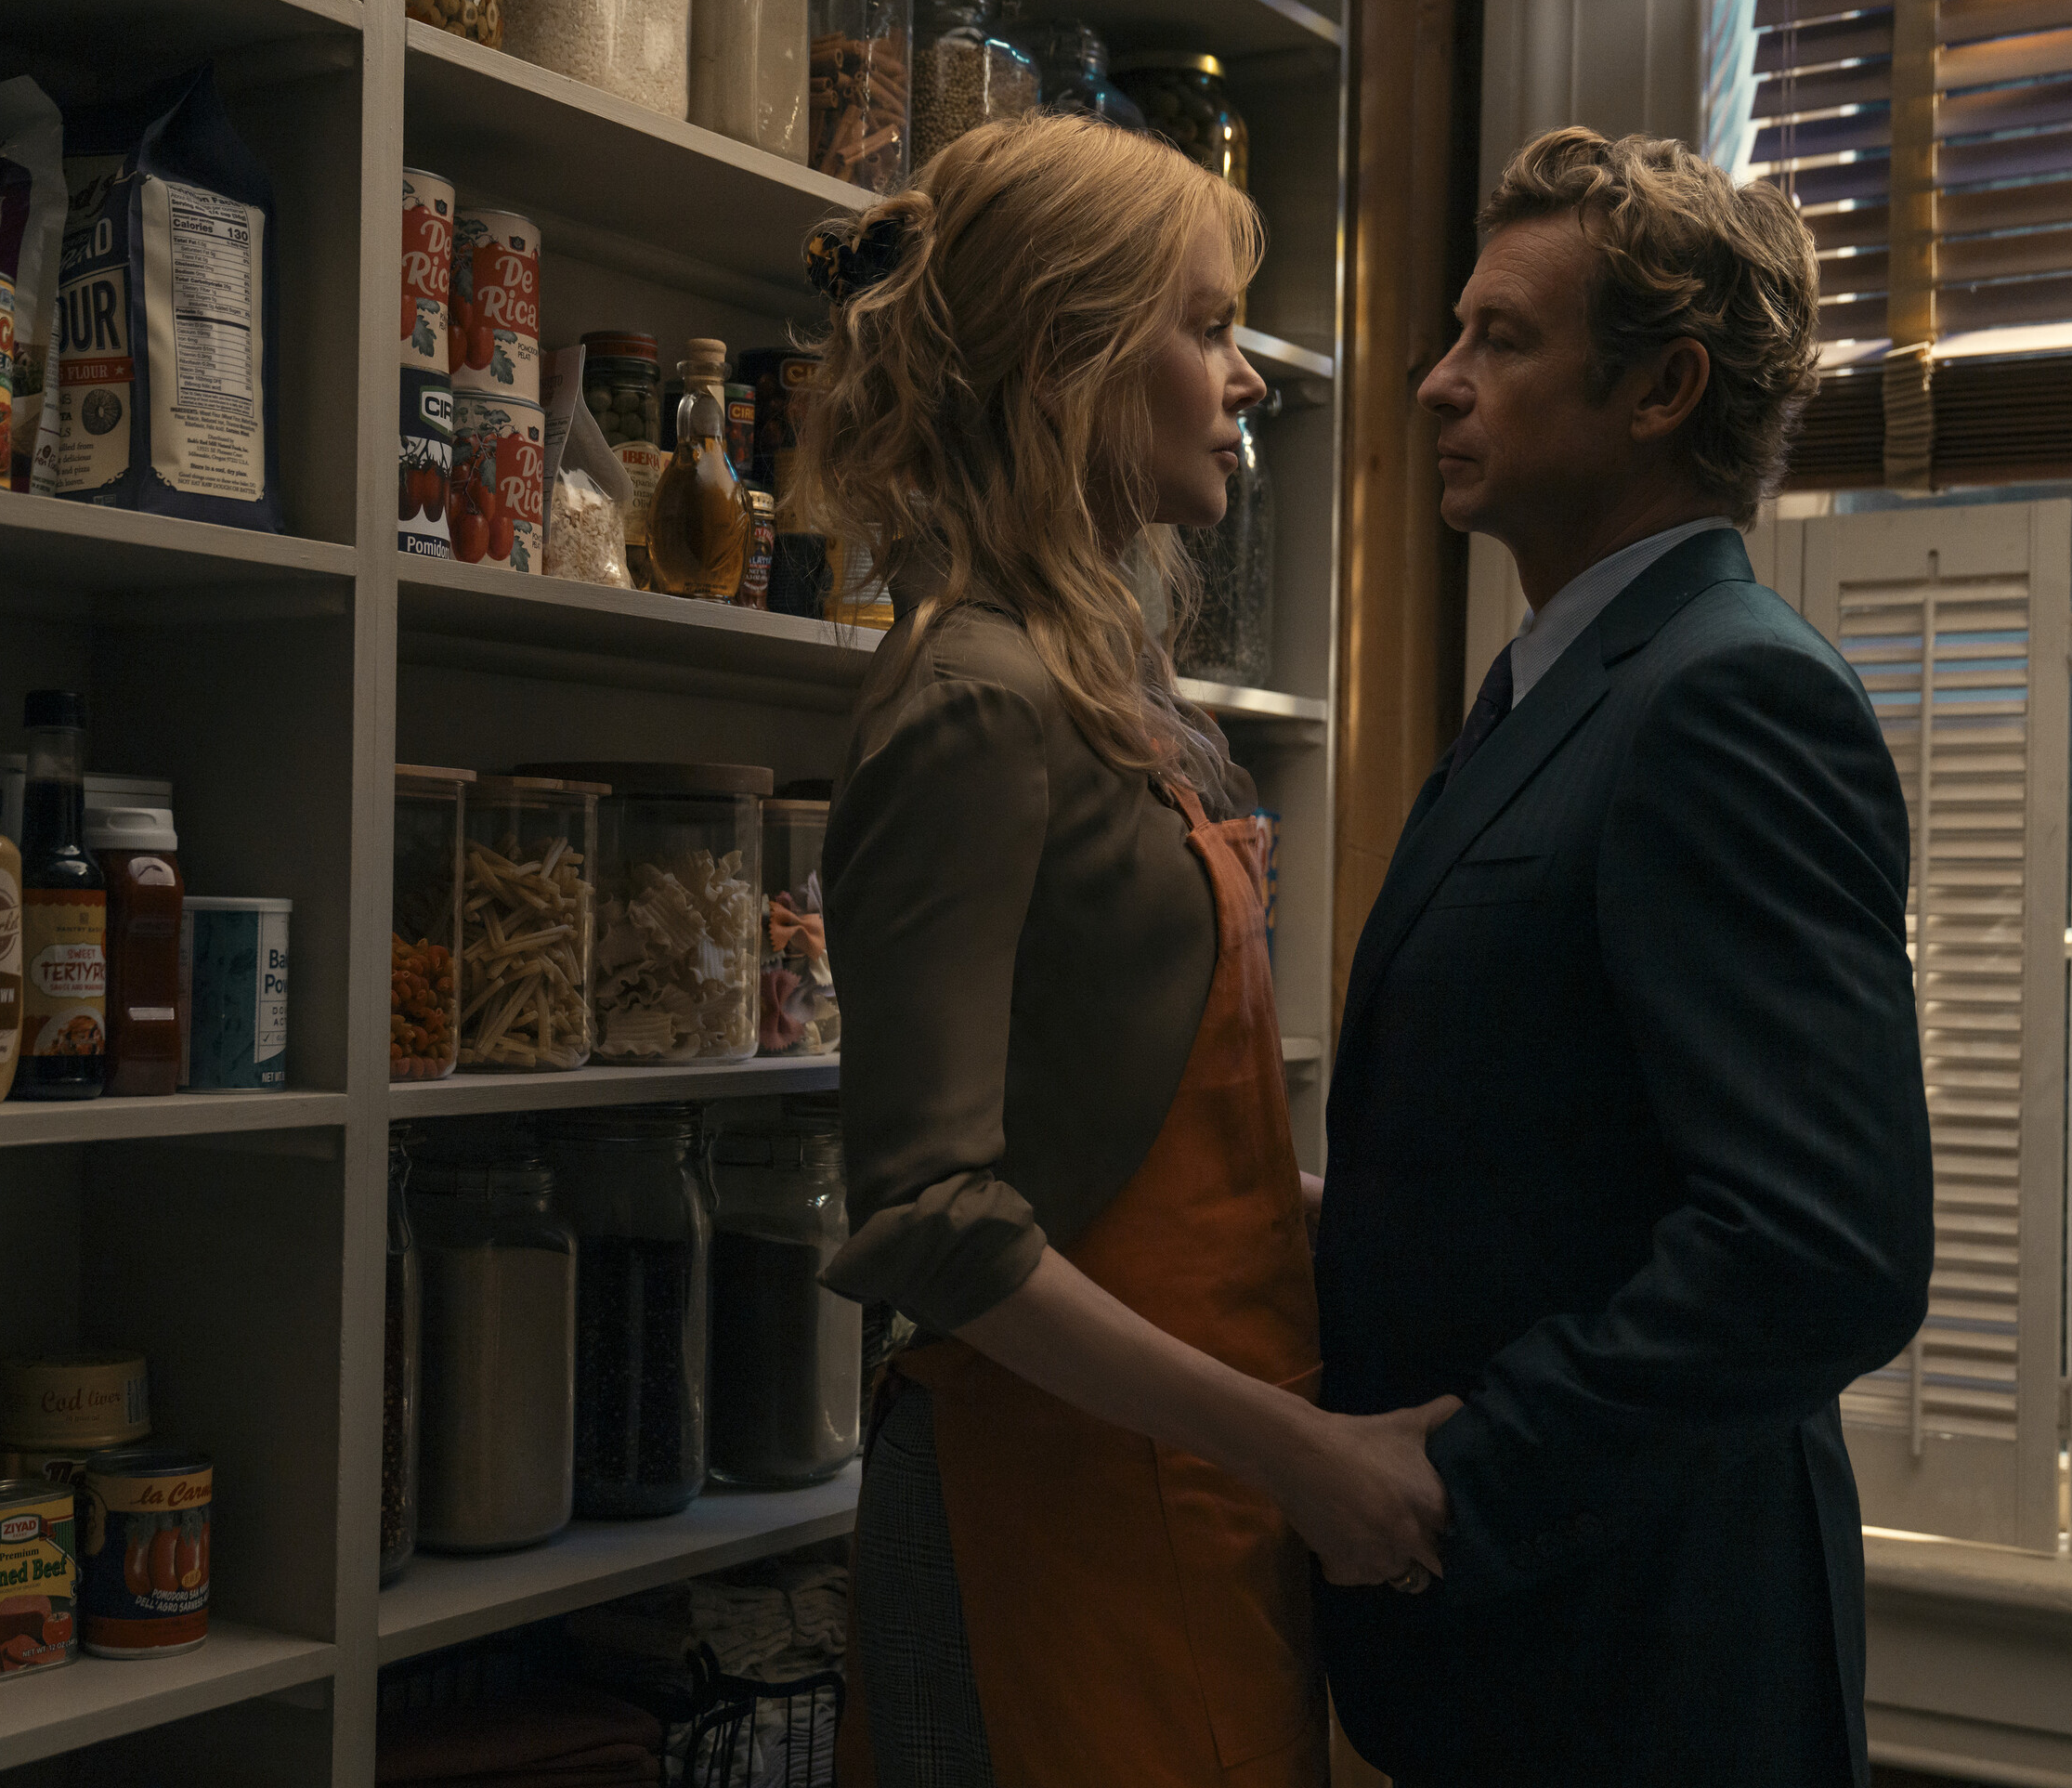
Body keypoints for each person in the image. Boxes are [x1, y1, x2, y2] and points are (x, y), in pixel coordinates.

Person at [800, 113, 1456, 1788]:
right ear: (1065, 359)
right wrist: (1300, 1449)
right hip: (1048, 1515)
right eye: (1210, 326)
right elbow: (935, 1222)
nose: (1250, 379)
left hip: (1186, 1498)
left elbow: (1139, 1139)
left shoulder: (1112, 697)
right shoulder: (976, 701)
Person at [1316, 126, 1935, 1787]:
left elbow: (1823, 1248)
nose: (1438, 384)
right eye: (1453, 335)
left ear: (1660, 390)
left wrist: (1464, 1481)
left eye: (1499, 340)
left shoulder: (1732, 696)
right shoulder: (1557, 684)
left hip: (1648, 1674)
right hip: (1521, 1668)